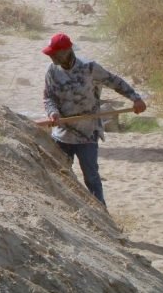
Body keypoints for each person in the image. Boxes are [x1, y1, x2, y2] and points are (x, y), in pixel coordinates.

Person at [41, 32, 147, 206]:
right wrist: (53, 113)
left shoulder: (89, 68)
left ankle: (101, 211)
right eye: (50, 53)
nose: (51, 56)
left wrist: (135, 98)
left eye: (55, 53)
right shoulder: (52, 71)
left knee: (91, 176)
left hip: (87, 133)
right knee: (60, 174)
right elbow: (48, 97)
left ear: (67, 51)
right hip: (62, 134)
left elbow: (114, 82)